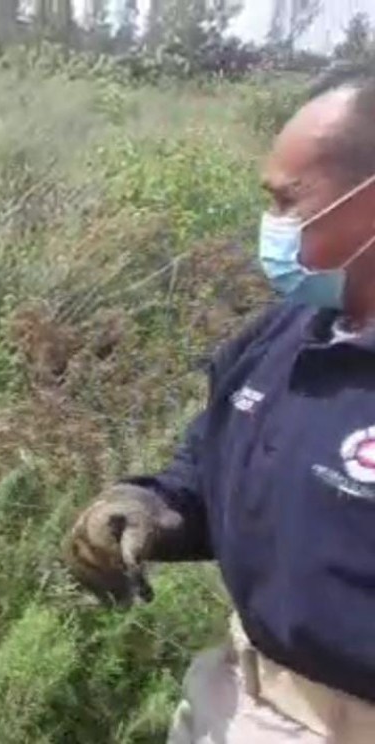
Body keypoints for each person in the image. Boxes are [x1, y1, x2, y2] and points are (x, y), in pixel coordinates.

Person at [64, 62, 375, 744]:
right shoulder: (283, 335)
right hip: (234, 697)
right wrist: (148, 507)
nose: (271, 226)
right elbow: (207, 471)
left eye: (289, 201)